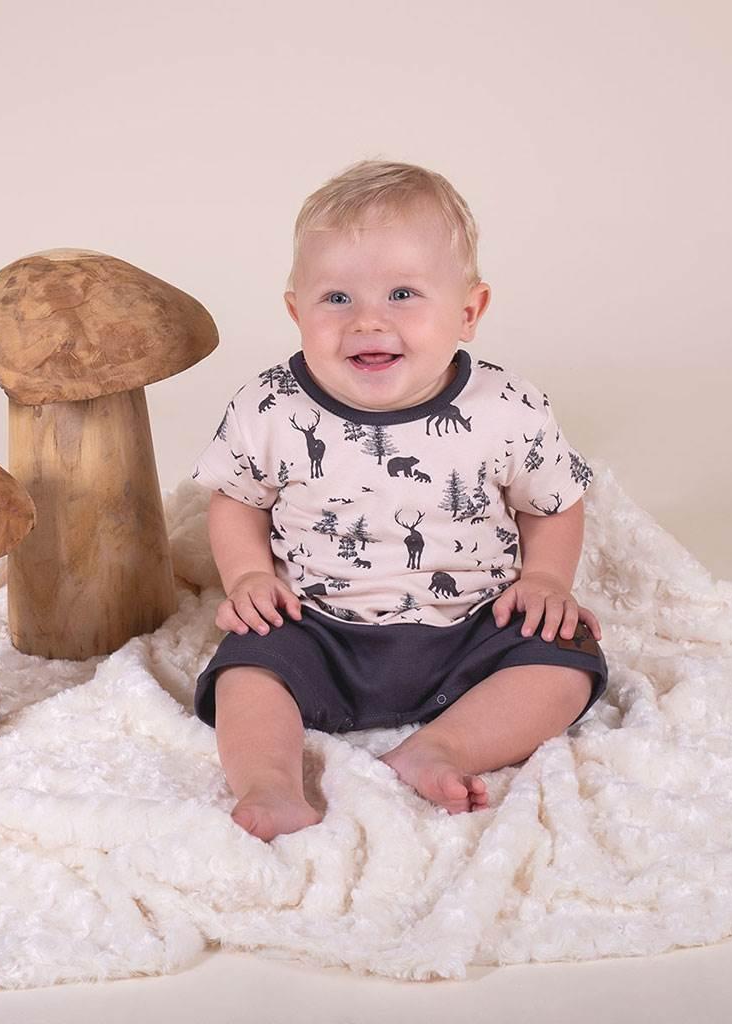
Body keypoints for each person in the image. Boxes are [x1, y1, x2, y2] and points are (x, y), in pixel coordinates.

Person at [190, 159, 608, 841]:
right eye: (336, 298)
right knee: (245, 670)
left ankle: (442, 747)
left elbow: (552, 502)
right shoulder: (269, 406)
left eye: (403, 294)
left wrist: (545, 580)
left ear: (468, 312)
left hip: (474, 623)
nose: (368, 321)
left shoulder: (508, 408)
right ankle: (270, 784)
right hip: (316, 626)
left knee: (566, 661)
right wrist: (247, 578)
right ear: (296, 311)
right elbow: (237, 499)